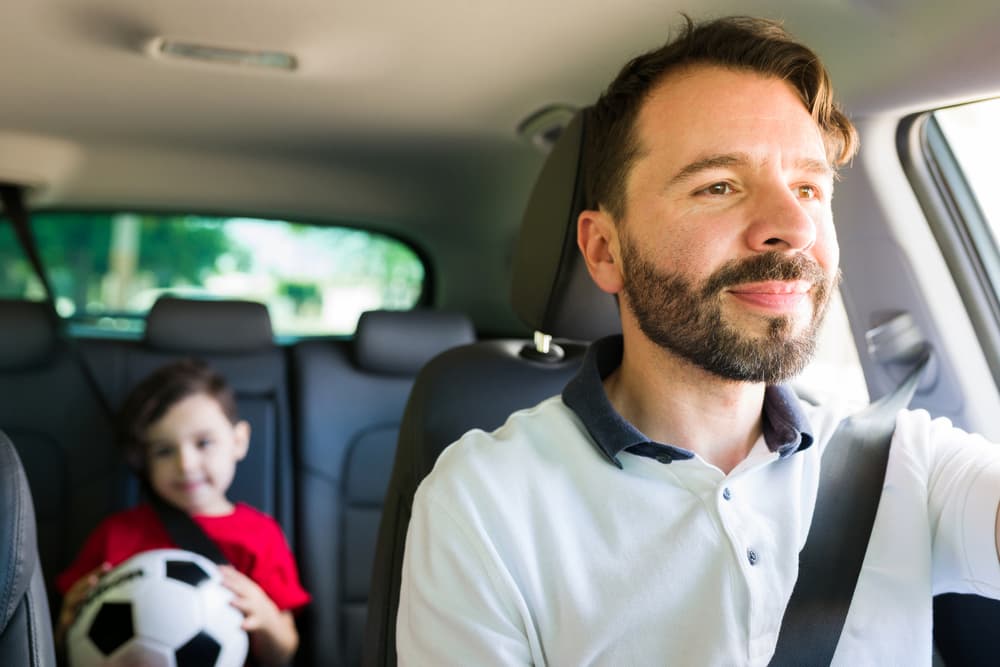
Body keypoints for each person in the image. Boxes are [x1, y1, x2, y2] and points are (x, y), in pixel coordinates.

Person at [396, 15, 1000, 666]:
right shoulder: (484, 501)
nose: (794, 226)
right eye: (719, 185)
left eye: (808, 188)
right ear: (605, 249)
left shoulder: (903, 460)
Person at [56, 359, 309, 667]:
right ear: (144, 462)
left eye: (203, 443)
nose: (185, 464)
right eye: (164, 451)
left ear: (238, 441)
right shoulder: (115, 534)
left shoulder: (261, 535)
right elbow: (64, 640)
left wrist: (265, 618)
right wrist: (66, 623)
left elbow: (284, 653)